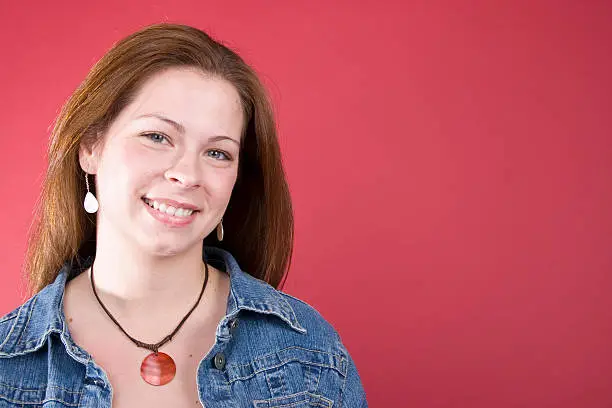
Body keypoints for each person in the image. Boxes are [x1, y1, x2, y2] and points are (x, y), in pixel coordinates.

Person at [0, 23, 367, 407]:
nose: (188, 174)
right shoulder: (9, 365)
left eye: (217, 153)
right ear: (91, 146)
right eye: (157, 137)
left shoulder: (309, 352)